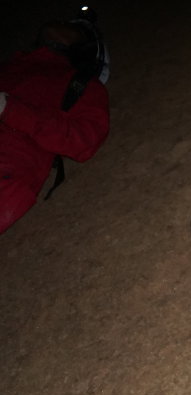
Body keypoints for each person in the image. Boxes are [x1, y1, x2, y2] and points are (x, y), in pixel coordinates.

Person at [0, 9, 110, 234]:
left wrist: (10, 109)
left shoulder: (79, 84)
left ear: (85, 49)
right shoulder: (10, 67)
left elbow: (84, 140)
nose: (61, 23)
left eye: (76, 29)